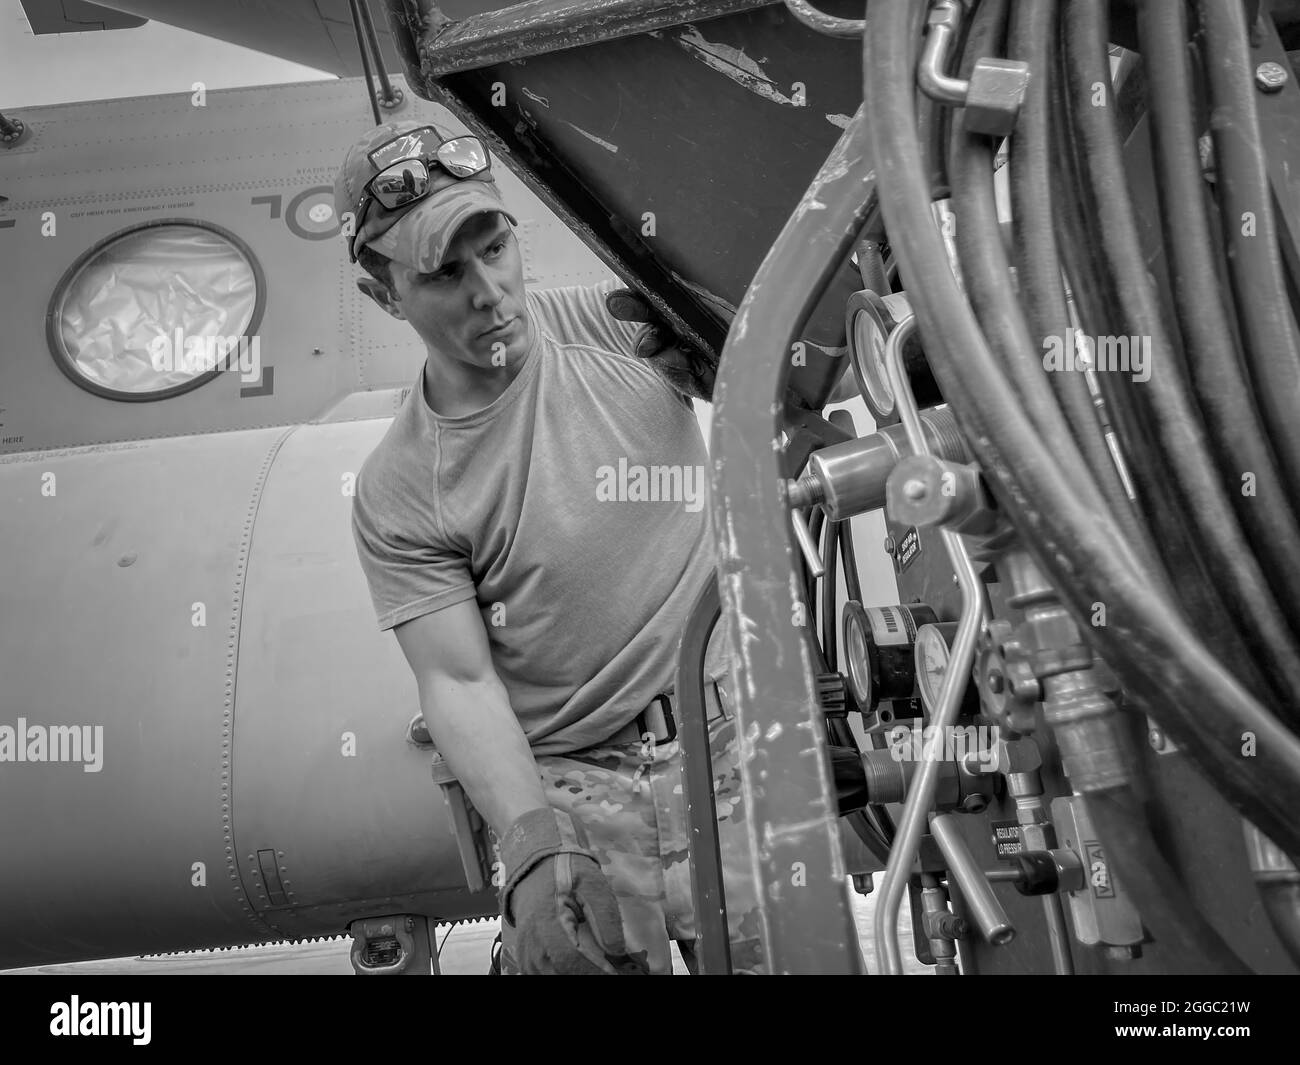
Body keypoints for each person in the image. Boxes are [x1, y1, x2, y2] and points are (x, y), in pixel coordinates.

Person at [336, 119, 769, 974]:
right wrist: (535, 845)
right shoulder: (398, 489)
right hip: (582, 793)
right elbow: (459, 679)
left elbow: (781, 357)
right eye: (446, 273)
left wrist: (721, 348)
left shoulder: (624, 327)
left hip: (740, 740)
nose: (491, 291)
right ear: (383, 293)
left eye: (496, 247)